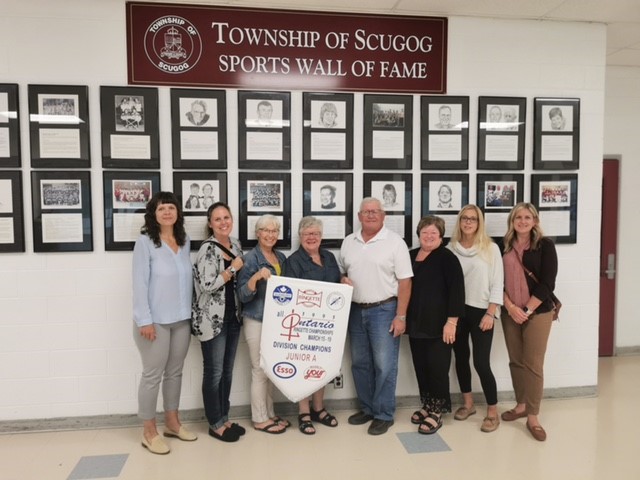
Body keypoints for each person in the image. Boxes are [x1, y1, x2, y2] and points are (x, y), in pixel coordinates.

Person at [339, 197, 413, 435]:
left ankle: (383, 413)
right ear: (359, 216)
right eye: (366, 212)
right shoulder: (349, 242)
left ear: (383, 216)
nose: (370, 215)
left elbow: (405, 282)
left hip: (384, 310)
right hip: (355, 310)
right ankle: (368, 408)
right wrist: (342, 279)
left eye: (375, 211)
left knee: (384, 364)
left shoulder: (395, 242)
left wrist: (400, 316)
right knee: (360, 363)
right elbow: (343, 271)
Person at [132, 191, 197, 455]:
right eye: (162, 209)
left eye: (171, 207)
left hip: (181, 319)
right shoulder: (145, 242)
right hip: (155, 322)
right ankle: (149, 432)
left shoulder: (184, 240)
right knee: (152, 376)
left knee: (175, 372)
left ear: (178, 212)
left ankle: (172, 422)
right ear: (154, 214)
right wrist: (144, 320)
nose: (167, 212)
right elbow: (139, 283)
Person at [500, 202, 558, 442]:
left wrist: (525, 309)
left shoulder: (545, 246)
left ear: (535, 221)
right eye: (518, 217)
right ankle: (521, 404)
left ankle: (533, 416)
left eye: (527, 217)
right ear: (512, 221)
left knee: (533, 364)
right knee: (516, 361)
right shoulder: (502, 245)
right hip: (510, 311)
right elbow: (495, 281)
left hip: (537, 313)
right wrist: (511, 307)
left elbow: (547, 283)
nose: (522, 221)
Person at [406, 216, 465, 435]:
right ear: (418, 233)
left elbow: (457, 291)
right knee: (421, 367)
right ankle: (428, 405)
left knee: (438, 369)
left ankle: (438, 412)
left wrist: (452, 322)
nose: (429, 236)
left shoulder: (447, 258)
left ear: (440, 235)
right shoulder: (411, 256)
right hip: (416, 324)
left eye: (434, 233)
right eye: (425, 232)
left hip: (441, 325)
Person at [447, 205, 504, 433]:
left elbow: (498, 282)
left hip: (482, 313)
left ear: (480, 223)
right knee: (461, 359)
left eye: (473, 219)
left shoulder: (490, 249)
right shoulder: (450, 248)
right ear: (459, 222)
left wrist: (491, 312)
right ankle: (468, 404)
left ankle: (492, 411)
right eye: (465, 218)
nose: (468, 222)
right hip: (457, 313)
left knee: (481, 362)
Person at [192, 202, 245, 443]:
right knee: (213, 373)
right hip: (212, 321)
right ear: (210, 224)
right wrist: (232, 269)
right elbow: (207, 285)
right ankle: (215, 423)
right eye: (217, 219)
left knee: (227, 372)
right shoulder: (207, 249)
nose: (223, 222)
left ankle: (225, 417)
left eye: (226, 217)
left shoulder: (235, 244)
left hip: (233, 318)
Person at [283, 216, 341, 435]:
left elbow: (336, 284)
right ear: (300, 236)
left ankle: (319, 408)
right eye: (307, 234)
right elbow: (292, 295)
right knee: (303, 369)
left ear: (321, 236)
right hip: (304, 325)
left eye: (316, 233)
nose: (312, 237)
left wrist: (343, 280)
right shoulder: (294, 261)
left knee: (322, 366)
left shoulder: (329, 256)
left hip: (328, 325)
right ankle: (304, 412)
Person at [237, 214, 290, 434]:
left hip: (276, 322)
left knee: (270, 370)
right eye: (265, 230)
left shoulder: (281, 258)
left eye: (274, 231)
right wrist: (256, 277)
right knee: (259, 370)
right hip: (256, 320)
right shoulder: (251, 259)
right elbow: (242, 294)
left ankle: (270, 413)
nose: (270, 235)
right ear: (257, 233)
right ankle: (259, 418)